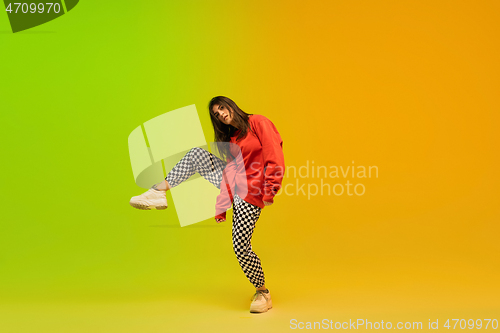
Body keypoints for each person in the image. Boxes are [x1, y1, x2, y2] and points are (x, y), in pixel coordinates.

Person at [129, 96, 285, 313]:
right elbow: (230, 173)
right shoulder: (232, 140)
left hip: (253, 191)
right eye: (216, 113)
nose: (220, 113)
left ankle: (262, 292)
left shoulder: (258, 122)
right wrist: (222, 205)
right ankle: (158, 191)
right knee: (195, 155)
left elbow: (274, 155)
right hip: (237, 189)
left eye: (222, 108)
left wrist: (271, 188)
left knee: (240, 247)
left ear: (231, 105)